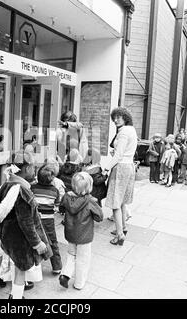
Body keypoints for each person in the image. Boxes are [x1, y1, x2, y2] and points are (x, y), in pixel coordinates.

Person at [0, 151, 52, 299]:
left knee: (15, 263)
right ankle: (16, 297)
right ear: (26, 169)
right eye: (33, 166)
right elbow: (26, 222)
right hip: (20, 238)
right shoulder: (22, 191)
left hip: (9, 235)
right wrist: (37, 243)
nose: (35, 169)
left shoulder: (8, 184)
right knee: (20, 269)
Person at [58, 172, 103, 290]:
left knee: (71, 254)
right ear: (89, 187)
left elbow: (61, 208)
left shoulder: (67, 197)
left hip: (71, 233)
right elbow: (99, 217)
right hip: (85, 235)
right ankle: (79, 283)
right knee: (83, 259)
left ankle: (65, 274)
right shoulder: (90, 201)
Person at [102, 107, 138, 246]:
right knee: (122, 201)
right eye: (114, 118)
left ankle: (120, 234)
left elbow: (118, 155)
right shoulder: (131, 129)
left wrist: (106, 168)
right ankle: (123, 227)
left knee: (115, 202)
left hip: (121, 168)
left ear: (125, 117)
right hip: (129, 166)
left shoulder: (123, 132)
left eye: (119, 117)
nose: (116, 120)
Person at [31, 165, 62, 275]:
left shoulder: (32, 188)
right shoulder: (55, 191)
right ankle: (57, 266)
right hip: (48, 221)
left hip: (35, 220)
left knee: (35, 241)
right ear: (52, 179)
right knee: (53, 242)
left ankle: (35, 267)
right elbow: (57, 206)